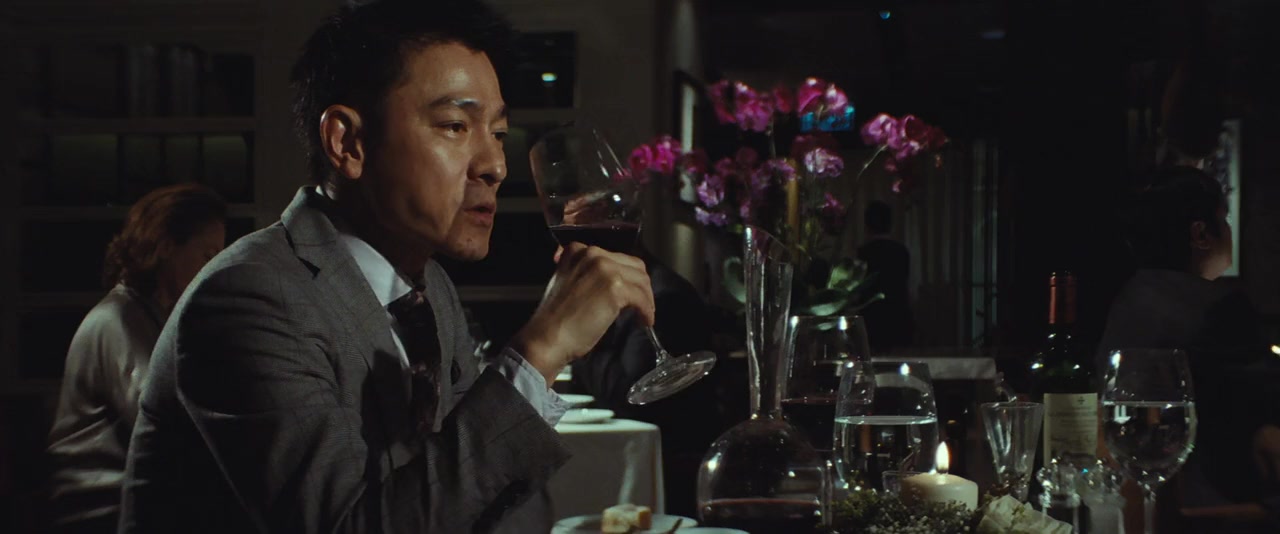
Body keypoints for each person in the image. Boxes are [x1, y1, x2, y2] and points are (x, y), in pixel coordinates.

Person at [119, 1, 656, 533]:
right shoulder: (249, 299)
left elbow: (498, 507)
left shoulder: (428, 290)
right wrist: (541, 350)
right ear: (347, 143)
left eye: (496, 133)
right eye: (455, 126)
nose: (495, 165)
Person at [46, 183, 227, 533]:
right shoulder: (117, 320)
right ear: (167, 246)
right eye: (207, 256)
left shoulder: (152, 317)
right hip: (101, 510)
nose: (214, 269)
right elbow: (160, 416)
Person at [1098, 166, 1279, 515]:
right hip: (1216, 508)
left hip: (1127, 500)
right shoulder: (1220, 308)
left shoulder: (1129, 299)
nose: (1230, 231)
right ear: (1201, 234)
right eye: (1224, 220)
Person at [855, 200, 913, 350]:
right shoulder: (901, 251)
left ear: (867, 225)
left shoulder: (863, 253)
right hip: (899, 317)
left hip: (871, 320)